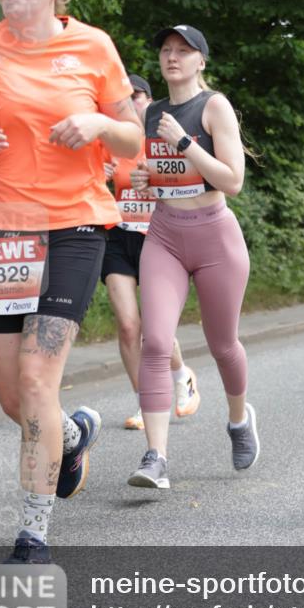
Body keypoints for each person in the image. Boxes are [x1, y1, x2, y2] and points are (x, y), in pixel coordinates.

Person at [0, 0, 142, 562]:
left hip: (75, 225)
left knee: (36, 377)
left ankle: (34, 532)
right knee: (12, 396)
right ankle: (74, 434)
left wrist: (102, 124)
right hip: (3, 231)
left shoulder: (93, 46)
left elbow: (131, 142)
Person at [126, 24, 257, 489]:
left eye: (184, 51)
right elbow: (160, 172)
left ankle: (239, 420)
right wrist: (147, 179)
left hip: (215, 236)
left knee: (223, 344)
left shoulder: (213, 106)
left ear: (202, 60)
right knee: (156, 342)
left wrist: (184, 141)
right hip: (164, 234)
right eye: (166, 49)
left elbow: (232, 180)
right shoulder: (152, 112)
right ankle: (156, 457)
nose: (172, 57)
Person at [101, 72, 200, 431]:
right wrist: (98, 177)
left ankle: (180, 376)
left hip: (158, 237)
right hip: (118, 238)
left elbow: (190, 193)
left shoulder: (165, 140)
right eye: (123, 98)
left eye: (137, 96)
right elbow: (90, 193)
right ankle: (146, 402)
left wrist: (155, 184)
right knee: (128, 325)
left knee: (153, 329)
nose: (131, 102)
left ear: (149, 101)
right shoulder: (110, 142)